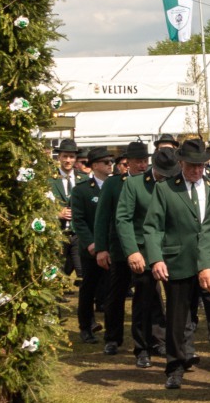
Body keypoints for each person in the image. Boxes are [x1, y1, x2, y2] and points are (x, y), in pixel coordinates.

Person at [146, 138, 210, 390]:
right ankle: (176, 366)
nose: (196, 170)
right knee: (178, 318)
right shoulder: (166, 189)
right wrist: (156, 258)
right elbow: (153, 227)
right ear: (180, 164)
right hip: (178, 262)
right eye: (191, 166)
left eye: (201, 166)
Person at [112, 143, 169, 368]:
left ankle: (163, 341)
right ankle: (142, 347)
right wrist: (132, 251)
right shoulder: (134, 184)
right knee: (144, 299)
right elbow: (123, 219)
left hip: (172, 250)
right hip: (143, 252)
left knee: (174, 301)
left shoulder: (175, 182)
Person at [94, 141, 149, 355]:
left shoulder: (152, 182)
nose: (142, 165)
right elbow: (102, 217)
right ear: (128, 163)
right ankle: (112, 337)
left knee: (147, 297)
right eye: (138, 161)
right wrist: (101, 248)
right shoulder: (114, 184)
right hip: (119, 249)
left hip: (145, 249)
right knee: (116, 295)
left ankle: (150, 340)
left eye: (145, 161)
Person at [71, 147, 112, 344]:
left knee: (112, 290)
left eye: (111, 162)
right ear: (95, 165)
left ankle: (112, 330)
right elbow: (78, 221)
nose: (110, 165)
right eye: (106, 162)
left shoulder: (117, 186)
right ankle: (86, 327)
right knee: (89, 288)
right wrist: (90, 243)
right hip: (91, 250)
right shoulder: (82, 190)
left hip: (113, 248)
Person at [50, 139, 82, 275]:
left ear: (75, 158)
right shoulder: (49, 180)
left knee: (83, 272)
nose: (68, 160)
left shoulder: (84, 180)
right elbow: (41, 208)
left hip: (78, 235)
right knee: (56, 272)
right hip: (57, 233)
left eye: (71, 157)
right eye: (65, 156)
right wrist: (57, 214)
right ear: (59, 157)